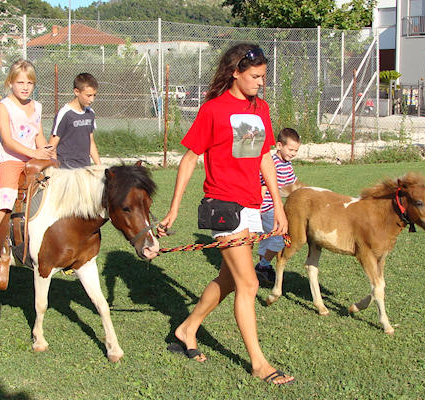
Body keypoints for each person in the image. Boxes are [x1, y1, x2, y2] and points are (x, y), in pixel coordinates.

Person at [157, 43, 295, 385]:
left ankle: (187, 328)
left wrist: (278, 206)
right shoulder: (214, 110)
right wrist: (174, 209)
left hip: (252, 206)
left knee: (230, 279)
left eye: (263, 77)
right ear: (236, 72)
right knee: (249, 283)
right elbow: (190, 158)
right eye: (255, 76)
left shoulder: (261, 108)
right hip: (223, 207)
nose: (261, 82)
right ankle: (259, 364)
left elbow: (264, 159)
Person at [0, 60, 53, 263]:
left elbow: (38, 135)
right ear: (10, 82)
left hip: (33, 157)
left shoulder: (37, 106)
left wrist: (47, 152)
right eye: (20, 82)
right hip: (11, 158)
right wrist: (34, 152)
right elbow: (8, 141)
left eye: (30, 83)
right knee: (7, 194)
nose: (25, 87)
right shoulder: (4, 107)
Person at [255, 128, 301, 285]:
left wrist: (308, 192)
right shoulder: (272, 162)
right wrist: (258, 208)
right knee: (283, 237)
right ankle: (262, 266)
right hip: (267, 208)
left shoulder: (287, 164)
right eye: (291, 149)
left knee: (266, 240)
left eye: (296, 150)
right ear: (279, 145)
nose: (293, 153)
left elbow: (293, 184)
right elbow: (263, 185)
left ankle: (263, 270)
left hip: (271, 208)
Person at [48, 72, 101, 169]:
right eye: (88, 95)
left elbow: (91, 141)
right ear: (76, 92)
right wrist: (55, 169)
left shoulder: (90, 113)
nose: (92, 100)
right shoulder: (65, 113)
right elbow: (52, 145)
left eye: (94, 95)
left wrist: (100, 166)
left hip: (84, 167)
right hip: (66, 168)